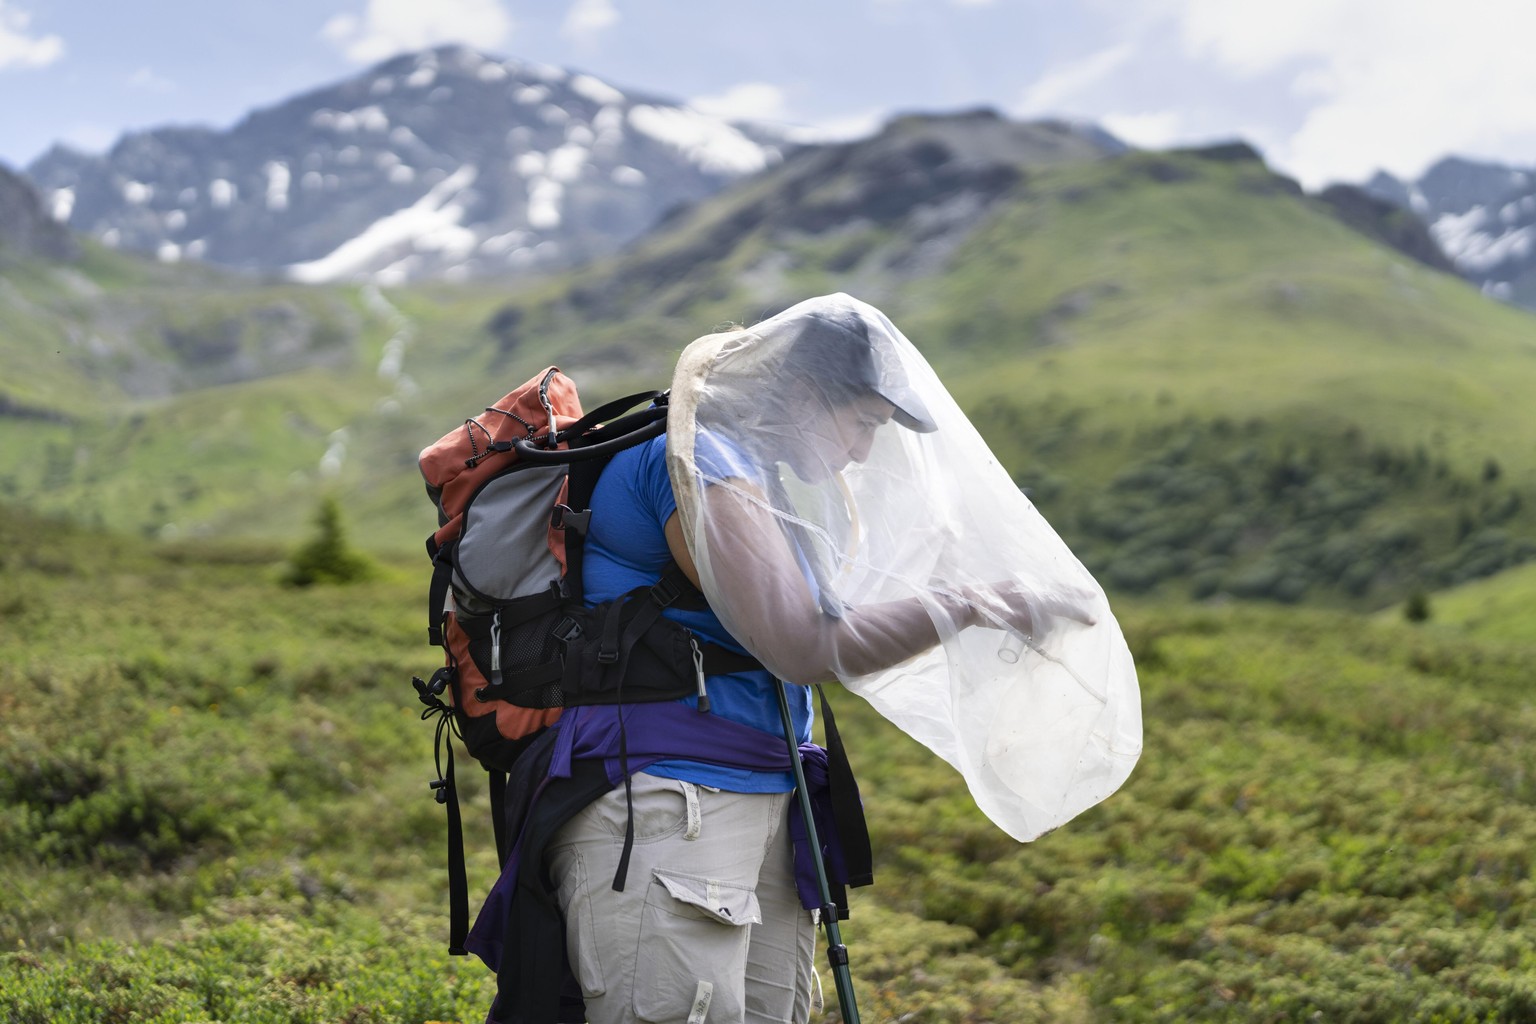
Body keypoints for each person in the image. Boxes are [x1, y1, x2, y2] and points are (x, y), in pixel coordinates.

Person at [468, 293, 1105, 1024]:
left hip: (754, 802)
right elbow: (804, 643)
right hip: (671, 806)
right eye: (862, 422)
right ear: (803, 391)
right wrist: (977, 604)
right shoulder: (695, 460)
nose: (864, 450)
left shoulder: (753, 474)